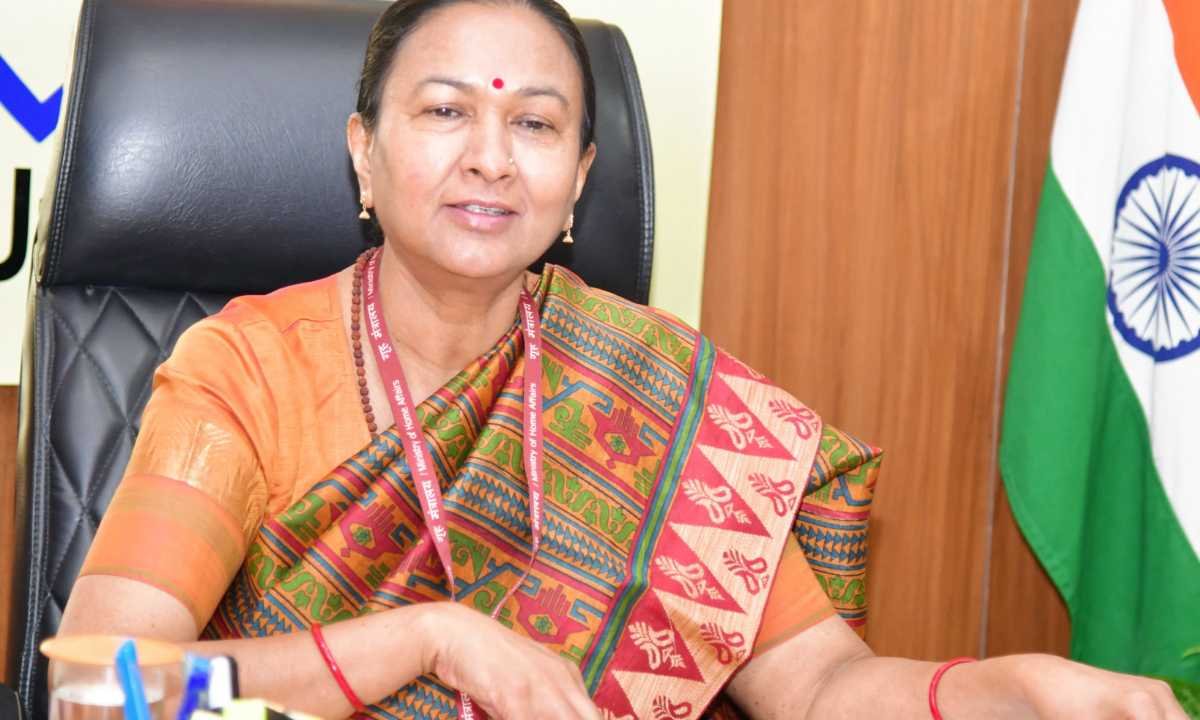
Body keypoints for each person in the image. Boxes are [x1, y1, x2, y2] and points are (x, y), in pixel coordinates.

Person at [57, 1, 1188, 718]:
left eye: (536, 124)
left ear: (581, 182)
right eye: (445, 112)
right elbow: (99, 687)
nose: (491, 158)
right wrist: (428, 638)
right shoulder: (246, 373)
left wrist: (1009, 691)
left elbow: (822, 688)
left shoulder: (650, 385)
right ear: (365, 154)